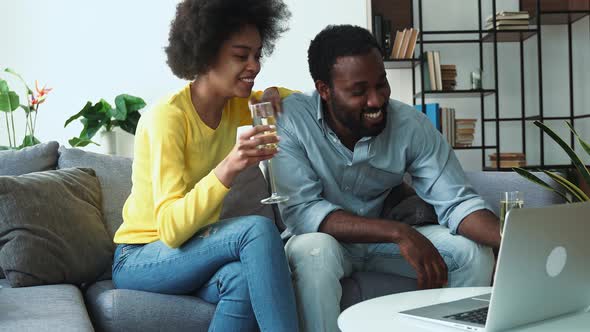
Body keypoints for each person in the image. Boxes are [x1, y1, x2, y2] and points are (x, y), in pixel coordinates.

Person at [273, 24, 501, 332]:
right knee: (316, 252)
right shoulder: (290, 121)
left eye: (381, 85)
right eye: (359, 91)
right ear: (324, 90)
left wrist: (512, 241)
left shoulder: (411, 125)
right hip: (323, 242)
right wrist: (399, 233)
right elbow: (302, 213)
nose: (376, 101)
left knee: (472, 253)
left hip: (380, 246)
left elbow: (457, 201)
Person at [111, 1, 299, 331]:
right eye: (242, 56)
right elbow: (170, 229)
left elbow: (307, 101)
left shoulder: (240, 106)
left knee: (242, 280)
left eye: (257, 55)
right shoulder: (167, 118)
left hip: (191, 251)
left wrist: (275, 93)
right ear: (207, 54)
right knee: (255, 229)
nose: (254, 66)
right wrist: (230, 165)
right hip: (140, 256)